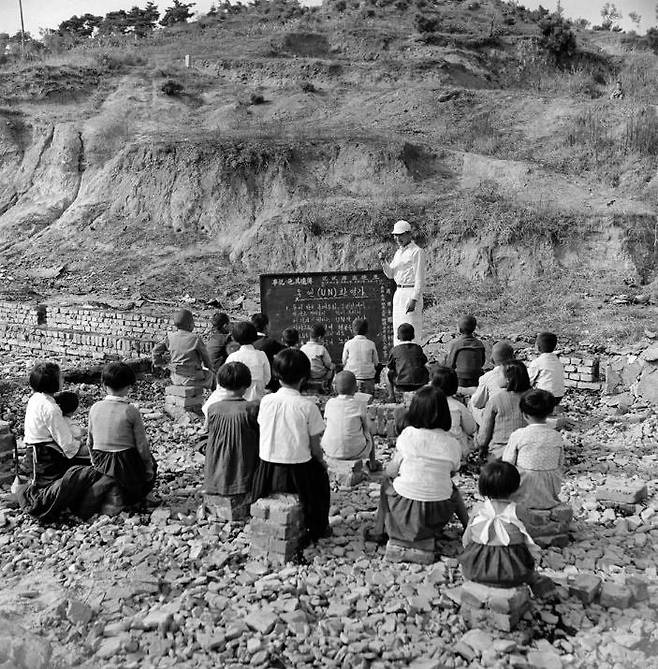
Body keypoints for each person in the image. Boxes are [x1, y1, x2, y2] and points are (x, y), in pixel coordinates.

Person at [251, 348, 331, 546]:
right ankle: (319, 527)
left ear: (277, 375)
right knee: (321, 484)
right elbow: (315, 445)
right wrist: (321, 462)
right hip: (298, 470)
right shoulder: (308, 406)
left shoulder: (266, 401)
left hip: (267, 467)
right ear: (305, 377)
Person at [366, 386, 464, 545]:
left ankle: (378, 530)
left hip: (405, 508)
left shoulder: (408, 434)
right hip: (439, 512)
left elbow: (391, 471)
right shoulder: (452, 442)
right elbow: (452, 471)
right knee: (452, 488)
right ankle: (468, 527)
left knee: (386, 485)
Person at [17, 362, 107, 522]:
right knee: (97, 466)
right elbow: (68, 446)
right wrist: (90, 445)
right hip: (47, 459)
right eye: (60, 376)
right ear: (54, 382)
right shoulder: (51, 409)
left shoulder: (35, 398)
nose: (63, 378)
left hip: (36, 452)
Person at [88, 362, 157, 509]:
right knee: (152, 463)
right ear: (128, 387)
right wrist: (148, 467)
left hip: (101, 460)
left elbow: (90, 441)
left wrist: (95, 463)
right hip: (125, 464)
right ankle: (135, 497)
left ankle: (110, 488)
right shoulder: (130, 411)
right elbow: (142, 446)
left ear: (103, 385)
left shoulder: (94, 408)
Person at [459, 461, 538, 588]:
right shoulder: (518, 510)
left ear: (483, 487)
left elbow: (466, 540)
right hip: (513, 573)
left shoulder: (479, 509)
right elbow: (529, 539)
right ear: (515, 486)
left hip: (477, 570)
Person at [502, 389, 565, 511]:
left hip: (523, 494)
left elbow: (507, 463)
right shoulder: (556, 436)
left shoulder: (518, 435)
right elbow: (560, 463)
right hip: (549, 495)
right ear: (550, 412)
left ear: (525, 415)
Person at [204, 362, 259, 496]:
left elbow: (209, 431)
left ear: (221, 384)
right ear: (247, 385)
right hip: (243, 471)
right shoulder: (252, 408)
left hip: (215, 473)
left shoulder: (213, 408)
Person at [379, 219, 426, 345]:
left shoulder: (417, 251)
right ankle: (400, 358)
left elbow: (420, 278)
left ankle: (414, 357)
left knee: (411, 327)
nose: (397, 238)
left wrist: (414, 299)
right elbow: (390, 274)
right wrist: (383, 261)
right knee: (398, 328)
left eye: (400, 235)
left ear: (408, 234)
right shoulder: (398, 252)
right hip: (399, 292)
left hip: (410, 292)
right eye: (395, 235)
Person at [321, 371, 378, 471]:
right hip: (355, 452)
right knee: (369, 427)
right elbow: (367, 428)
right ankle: (372, 463)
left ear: (334, 388)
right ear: (356, 388)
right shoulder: (359, 404)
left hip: (330, 451)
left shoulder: (330, 403)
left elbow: (325, 425)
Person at [477, 360, 530, 461]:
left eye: (499, 374)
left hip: (500, 455)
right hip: (527, 452)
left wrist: (481, 448)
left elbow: (483, 438)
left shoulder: (495, 401)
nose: (496, 377)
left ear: (508, 379)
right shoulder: (533, 397)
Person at [152, 308, 214, 388]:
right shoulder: (195, 339)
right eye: (193, 322)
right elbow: (207, 360)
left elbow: (155, 351)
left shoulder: (170, 337)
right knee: (210, 375)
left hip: (175, 378)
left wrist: (161, 364)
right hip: (193, 378)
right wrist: (210, 369)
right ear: (189, 324)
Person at [431, 366, 476, 462]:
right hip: (456, 453)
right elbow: (471, 429)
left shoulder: (427, 404)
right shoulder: (458, 406)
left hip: (432, 451)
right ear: (455, 385)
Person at [470, 340, 515, 426]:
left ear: (492, 359)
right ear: (513, 357)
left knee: (472, 403)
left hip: (497, 421)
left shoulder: (487, 377)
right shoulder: (522, 373)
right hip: (518, 416)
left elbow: (478, 403)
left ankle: (476, 432)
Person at [225, 321, 271, 402]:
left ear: (235, 337)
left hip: (238, 400)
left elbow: (227, 379)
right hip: (258, 399)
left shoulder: (233, 357)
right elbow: (267, 377)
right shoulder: (261, 355)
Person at [386, 323, 428, 402]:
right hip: (419, 383)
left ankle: (391, 396)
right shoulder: (418, 348)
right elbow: (424, 361)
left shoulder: (395, 350)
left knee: (386, 372)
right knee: (426, 367)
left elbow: (390, 366)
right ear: (413, 336)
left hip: (401, 384)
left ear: (398, 336)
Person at [446, 315, 486, 395]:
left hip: (460, 379)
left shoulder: (456, 344)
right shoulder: (479, 343)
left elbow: (450, 365)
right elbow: (482, 362)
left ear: (459, 329)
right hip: (476, 378)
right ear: (474, 328)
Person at [342, 318, 379, 395]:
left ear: (352, 330)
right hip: (368, 378)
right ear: (367, 331)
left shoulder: (348, 344)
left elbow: (343, 362)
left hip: (352, 379)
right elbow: (376, 363)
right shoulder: (371, 344)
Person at [527, 332, 565, 406]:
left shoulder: (537, 362)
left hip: (544, 397)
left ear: (537, 347)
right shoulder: (557, 361)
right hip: (558, 397)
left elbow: (528, 381)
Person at [252, 313, 285, 392]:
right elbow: (285, 352)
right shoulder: (270, 342)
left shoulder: (248, 341)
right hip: (269, 383)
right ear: (266, 326)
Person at [300, 324, 335, 390]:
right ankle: (328, 387)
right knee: (332, 367)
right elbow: (328, 364)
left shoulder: (302, 348)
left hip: (307, 375)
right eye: (323, 338)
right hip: (319, 375)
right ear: (319, 338)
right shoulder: (321, 348)